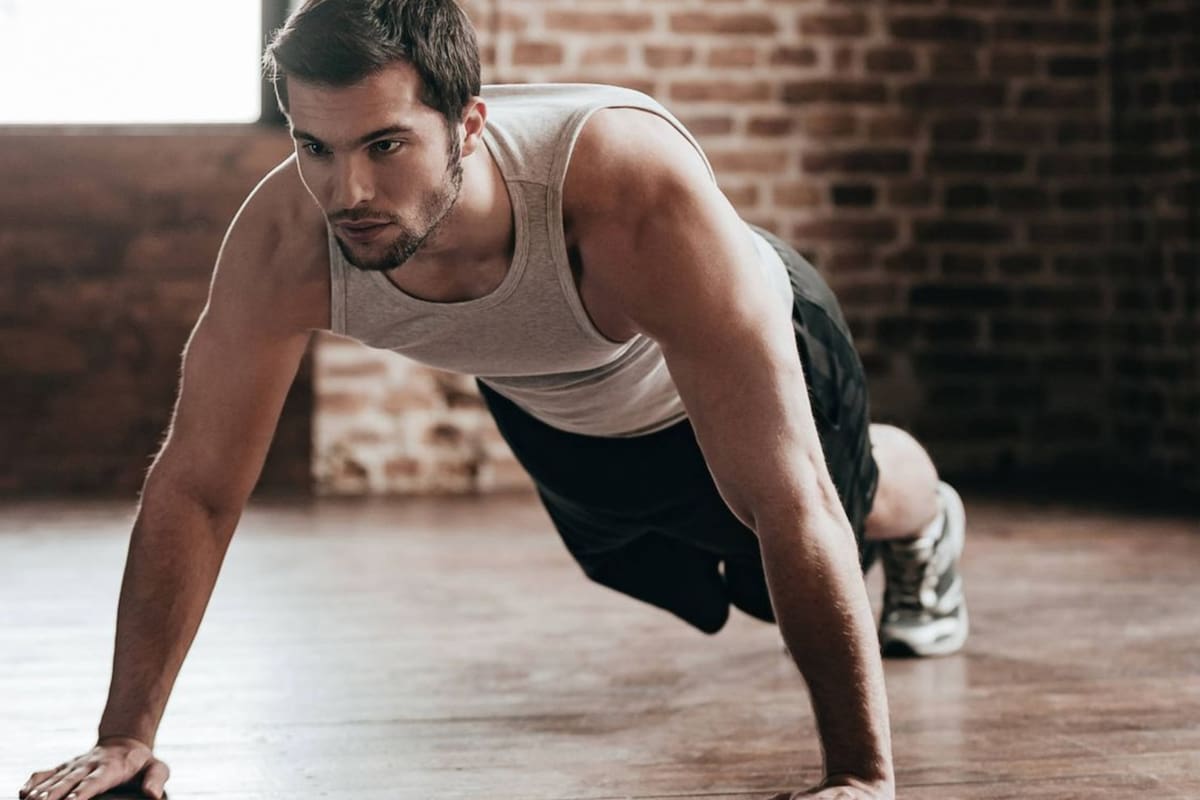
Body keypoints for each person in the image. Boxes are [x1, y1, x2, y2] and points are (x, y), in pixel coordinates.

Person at [18, 2, 968, 799]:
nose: (347, 190)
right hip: (560, 405)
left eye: (386, 144)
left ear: (468, 125)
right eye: (316, 146)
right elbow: (197, 486)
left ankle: (927, 519)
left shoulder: (628, 189)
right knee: (678, 575)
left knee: (817, 519)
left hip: (736, 353)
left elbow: (790, 495)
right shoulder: (285, 243)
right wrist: (125, 735)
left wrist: (860, 778)